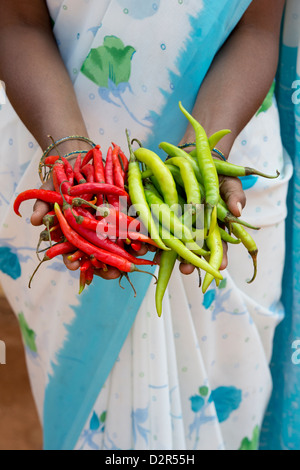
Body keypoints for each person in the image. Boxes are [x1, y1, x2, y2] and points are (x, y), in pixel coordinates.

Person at [0, 0, 290, 450]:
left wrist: (205, 157)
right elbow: (17, 23)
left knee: (225, 399)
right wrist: (70, 154)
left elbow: (256, 27)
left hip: (229, 148)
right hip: (56, 154)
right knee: (83, 401)